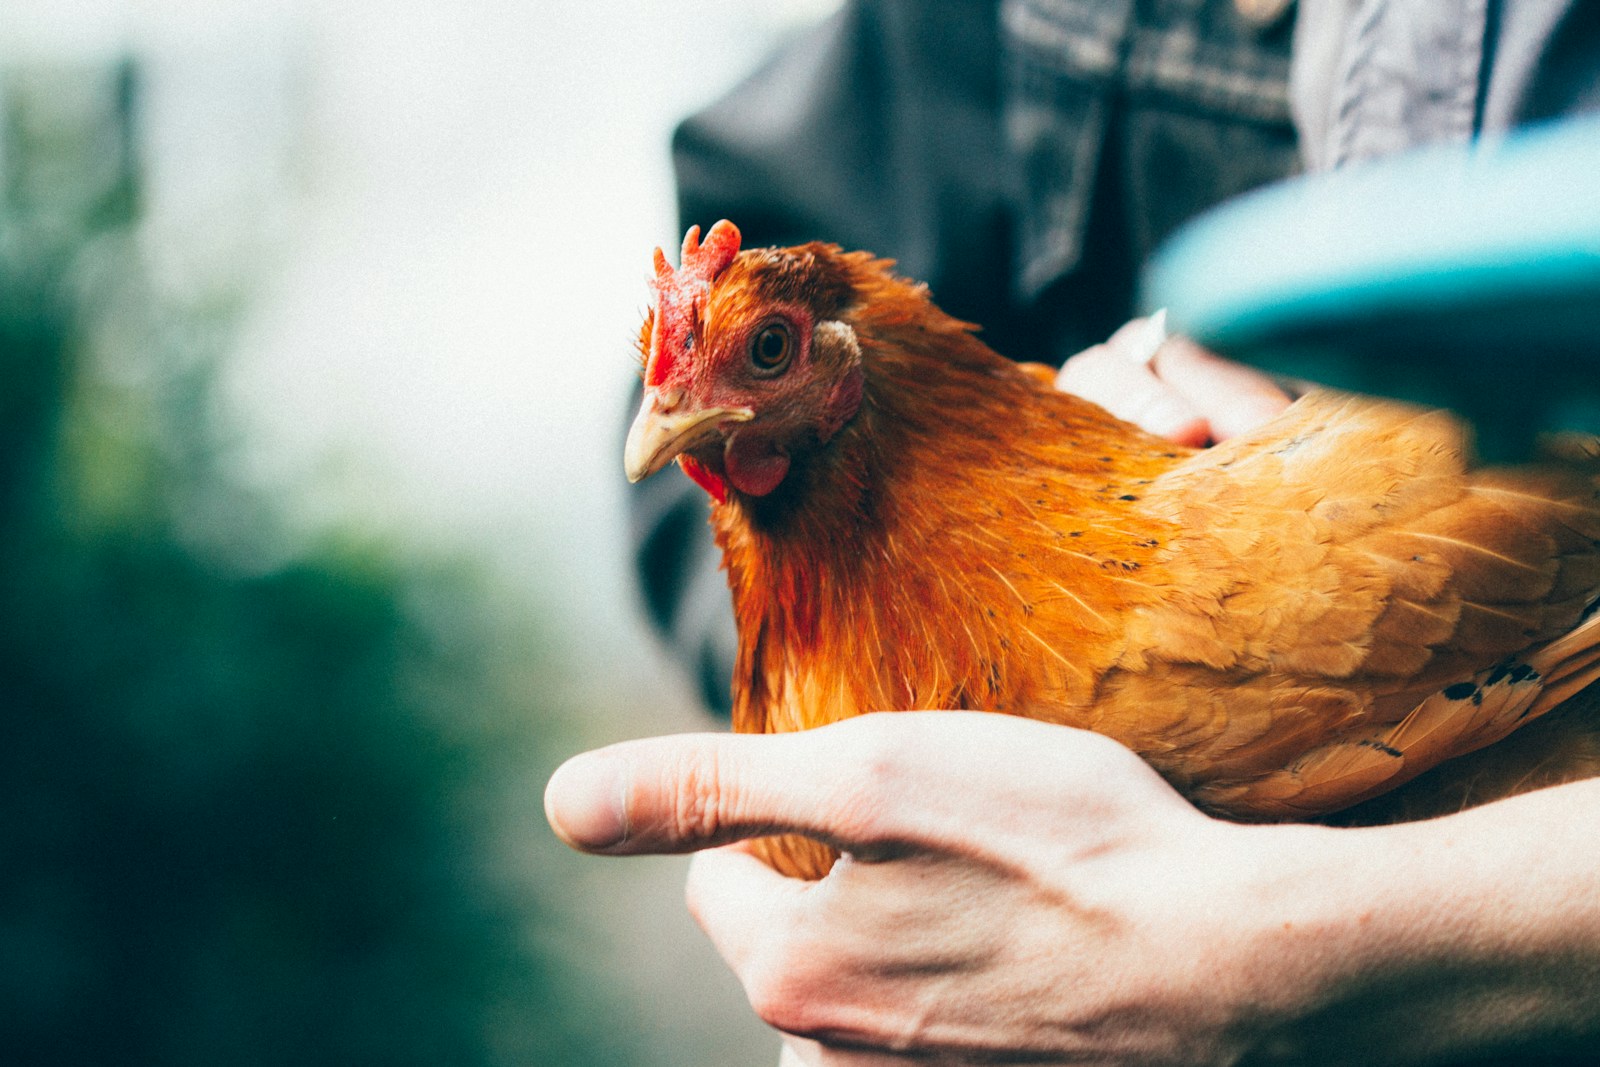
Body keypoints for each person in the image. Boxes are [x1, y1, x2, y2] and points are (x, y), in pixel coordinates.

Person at [554, 2, 1600, 1062]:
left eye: (768, 352)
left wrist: (1311, 945)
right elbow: (793, 204)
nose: (675, 415)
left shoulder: (1229, 654)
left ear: (841, 360)